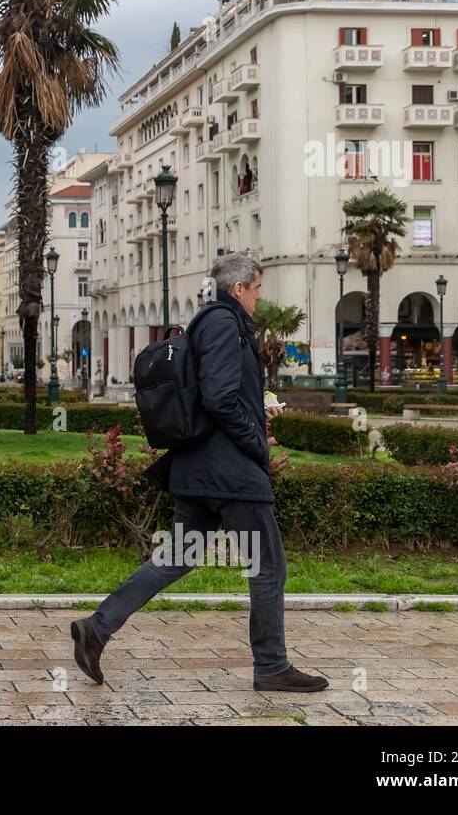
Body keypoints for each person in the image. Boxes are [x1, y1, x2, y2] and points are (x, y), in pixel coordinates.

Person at [70, 254, 327, 693]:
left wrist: (254, 407)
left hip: (198, 467)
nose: (260, 298)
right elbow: (220, 397)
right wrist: (256, 443)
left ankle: (97, 627)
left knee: (177, 557)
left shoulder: (206, 324)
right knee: (268, 566)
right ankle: (271, 666)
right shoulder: (226, 324)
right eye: (258, 289)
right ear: (239, 289)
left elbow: (220, 394)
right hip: (229, 471)